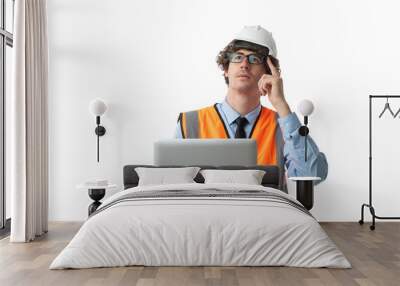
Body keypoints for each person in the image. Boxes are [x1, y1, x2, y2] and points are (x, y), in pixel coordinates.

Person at [175, 25, 328, 191]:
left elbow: (311, 174)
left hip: (266, 214)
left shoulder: (283, 124)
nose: (244, 64)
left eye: (254, 59)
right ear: (226, 69)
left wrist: (281, 105)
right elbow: (172, 186)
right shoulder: (189, 123)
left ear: (267, 72)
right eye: (237, 57)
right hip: (207, 215)